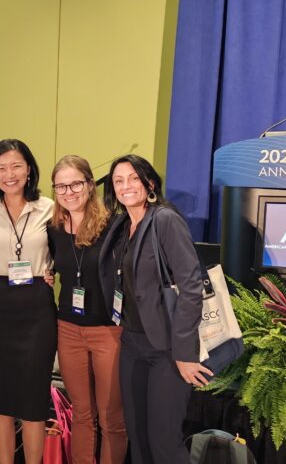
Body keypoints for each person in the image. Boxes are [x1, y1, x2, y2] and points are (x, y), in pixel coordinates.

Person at [99, 154, 209, 464]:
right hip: (132, 343)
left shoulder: (164, 219)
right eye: (119, 181)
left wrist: (184, 353)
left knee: (163, 443)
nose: (125, 186)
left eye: (133, 178)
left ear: (149, 183)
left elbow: (191, 286)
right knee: (139, 439)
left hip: (166, 349)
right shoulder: (122, 225)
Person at [0, 139, 56, 464]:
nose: (9, 174)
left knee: (34, 400)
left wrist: (52, 271)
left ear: (29, 170)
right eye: (1, 168)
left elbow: (71, 247)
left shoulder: (50, 208)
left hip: (38, 305)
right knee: (1, 399)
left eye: (16, 166)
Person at [48, 155, 126, 464]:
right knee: (81, 414)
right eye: (61, 186)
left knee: (111, 418)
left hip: (107, 331)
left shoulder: (112, 226)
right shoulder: (53, 229)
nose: (69, 191)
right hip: (67, 330)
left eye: (76, 183)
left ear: (90, 185)